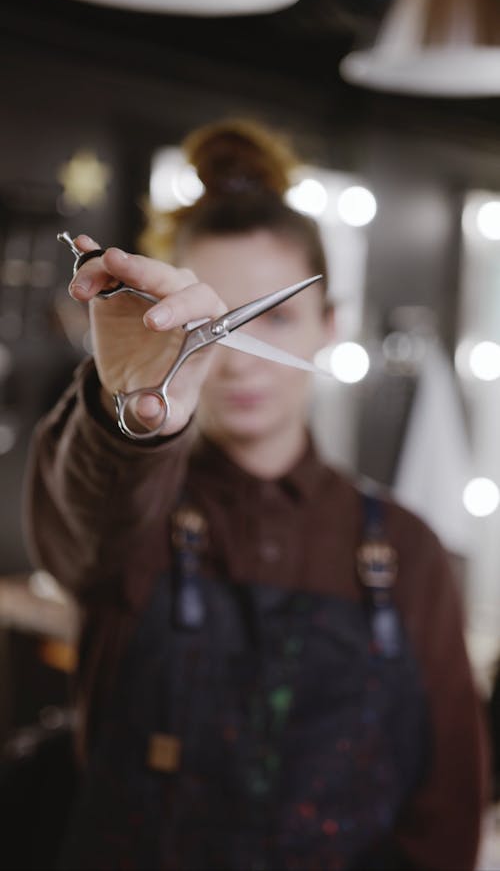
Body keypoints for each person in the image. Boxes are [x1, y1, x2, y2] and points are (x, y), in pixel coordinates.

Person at [24, 118, 488, 871]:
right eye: (212, 323)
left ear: (328, 326)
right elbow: (76, 529)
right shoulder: (131, 513)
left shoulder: (406, 549)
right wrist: (128, 409)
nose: (238, 358)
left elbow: (445, 809)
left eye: (275, 315)